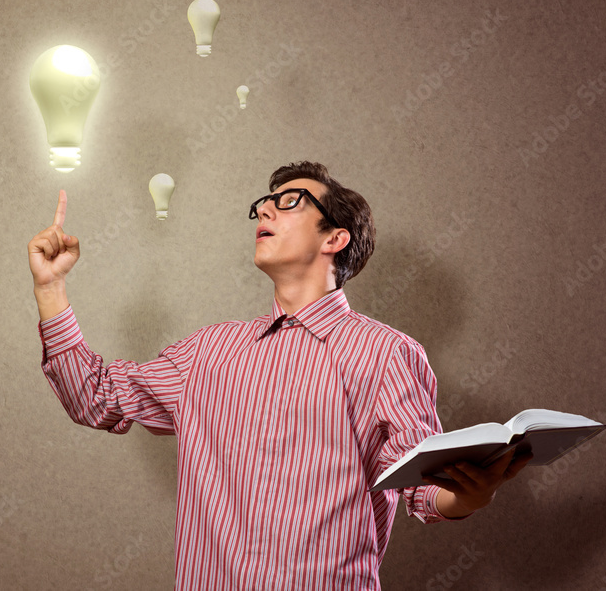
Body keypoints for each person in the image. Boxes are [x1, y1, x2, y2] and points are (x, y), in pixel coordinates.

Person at [28, 161, 532, 589]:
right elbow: (94, 396)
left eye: (289, 202)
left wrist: (470, 495)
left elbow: (420, 486)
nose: (265, 210)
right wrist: (50, 289)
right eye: (263, 204)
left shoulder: (386, 353)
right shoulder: (208, 352)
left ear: (335, 237)